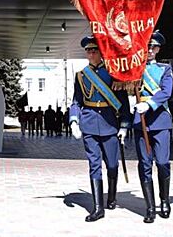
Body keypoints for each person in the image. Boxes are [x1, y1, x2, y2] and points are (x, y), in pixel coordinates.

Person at [69, 36, 130, 222]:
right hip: (89, 123)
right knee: (94, 165)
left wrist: (124, 126)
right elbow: (77, 100)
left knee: (112, 164)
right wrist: (73, 120)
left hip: (110, 123)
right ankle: (98, 208)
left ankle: (111, 195)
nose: (91, 53)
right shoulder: (81, 75)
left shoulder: (113, 73)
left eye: (94, 50)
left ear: (101, 52)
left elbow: (123, 103)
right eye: (88, 51)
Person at [118, 31, 173, 223]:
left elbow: (166, 91)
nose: (150, 50)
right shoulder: (134, 69)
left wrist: (149, 104)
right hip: (140, 123)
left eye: (153, 47)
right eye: (147, 47)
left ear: (158, 49)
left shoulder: (165, 69)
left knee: (164, 162)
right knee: (145, 165)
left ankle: (164, 200)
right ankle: (150, 207)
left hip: (160, 120)